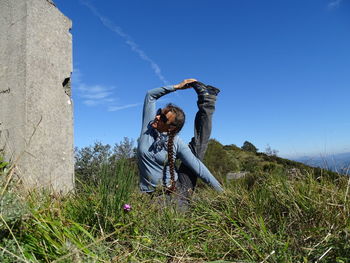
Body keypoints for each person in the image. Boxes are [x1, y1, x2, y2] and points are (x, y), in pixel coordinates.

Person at [136, 79, 223, 205]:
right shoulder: (148, 127)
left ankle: (207, 101)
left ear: (171, 128)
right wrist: (176, 87)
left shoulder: (176, 142)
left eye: (163, 118)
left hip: (177, 191)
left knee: (197, 147)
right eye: (160, 112)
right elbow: (150, 95)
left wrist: (223, 193)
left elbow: (199, 169)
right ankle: (207, 99)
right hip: (149, 195)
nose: (157, 116)